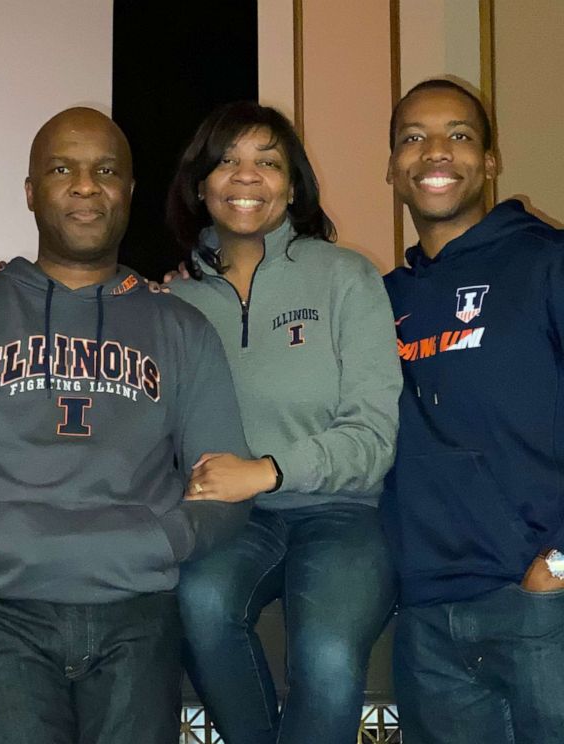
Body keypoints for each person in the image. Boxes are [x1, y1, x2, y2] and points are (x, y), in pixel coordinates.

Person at [0, 107, 266, 744]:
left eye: (106, 170)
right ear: (31, 192)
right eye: (62, 169)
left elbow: (224, 479)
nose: (86, 185)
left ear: (129, 192)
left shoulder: (179, 326)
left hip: (137, 613)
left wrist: (162, 541)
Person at [164, 101, 401, 744]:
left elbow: (376, 435)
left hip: (342, 511)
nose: (246, 177)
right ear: (201, 183)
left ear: (292, 185)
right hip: (234, 522)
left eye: (266, 162)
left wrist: (266, 472)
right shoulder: (175, 301)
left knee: (326, 656)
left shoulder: (346, 277)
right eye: (228, 161)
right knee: (198, 604)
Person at [383, 78, 564, 744]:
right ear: (392, 168)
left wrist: (560, 564)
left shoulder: (547, 263)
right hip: (428, 621)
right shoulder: (378, 302)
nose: (435, 152)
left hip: (542, 606)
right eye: (412, 138)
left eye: (458, 135)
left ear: (489, 161)